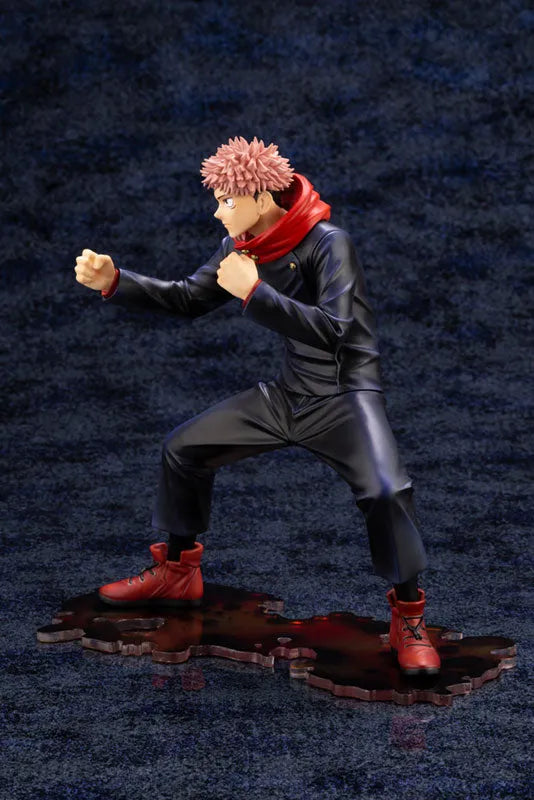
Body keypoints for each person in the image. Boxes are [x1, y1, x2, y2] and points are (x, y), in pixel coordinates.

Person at [74, 136, 440, 675]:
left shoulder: (328, 243)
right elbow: (188, 298)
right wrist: (116, 281)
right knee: (183, 448)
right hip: (290, 394)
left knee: (387, 493)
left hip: (345, 396)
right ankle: (178, 572)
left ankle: (409, 617)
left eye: (227, 200)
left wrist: (255, 295)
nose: (218, 211)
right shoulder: (242, 246)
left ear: (262, 197)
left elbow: (337, 330)